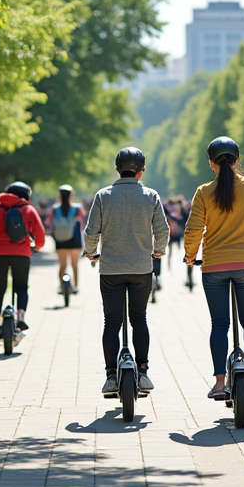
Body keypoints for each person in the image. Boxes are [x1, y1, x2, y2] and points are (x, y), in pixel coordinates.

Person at [185, 137, 244, 399]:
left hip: (214, 266)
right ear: (237, 160)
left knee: (219, 324)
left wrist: (190, 256)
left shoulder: (204, 192)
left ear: (211, 163)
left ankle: (219, 383)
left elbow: (194, 229)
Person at [84, 147, 169, 395]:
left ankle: (111, 376)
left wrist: (91, 252)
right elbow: (162, 230)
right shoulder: (151, 196)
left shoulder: (103, 196)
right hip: (141, 268)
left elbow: (91, 232)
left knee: (112, 322)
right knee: (139, 319)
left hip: (110, 269)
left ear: (117, 170)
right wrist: (158, 251)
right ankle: (142, 372)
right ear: (141, 171)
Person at [0, 181, 45, 333]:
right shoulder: (28, 209)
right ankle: (21, 317)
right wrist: (37, 246)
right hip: (22, 252)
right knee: (21, 286)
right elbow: (40, 234)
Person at [47, 185, 86, 294]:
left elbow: (49, 224)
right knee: (74, 266)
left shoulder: (54, 209)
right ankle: (75, 287)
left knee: (62, 266)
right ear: (71, 196)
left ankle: (61, 287)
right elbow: (83, 224)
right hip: (75, 240)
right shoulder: (77, 209)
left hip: (60, 241)